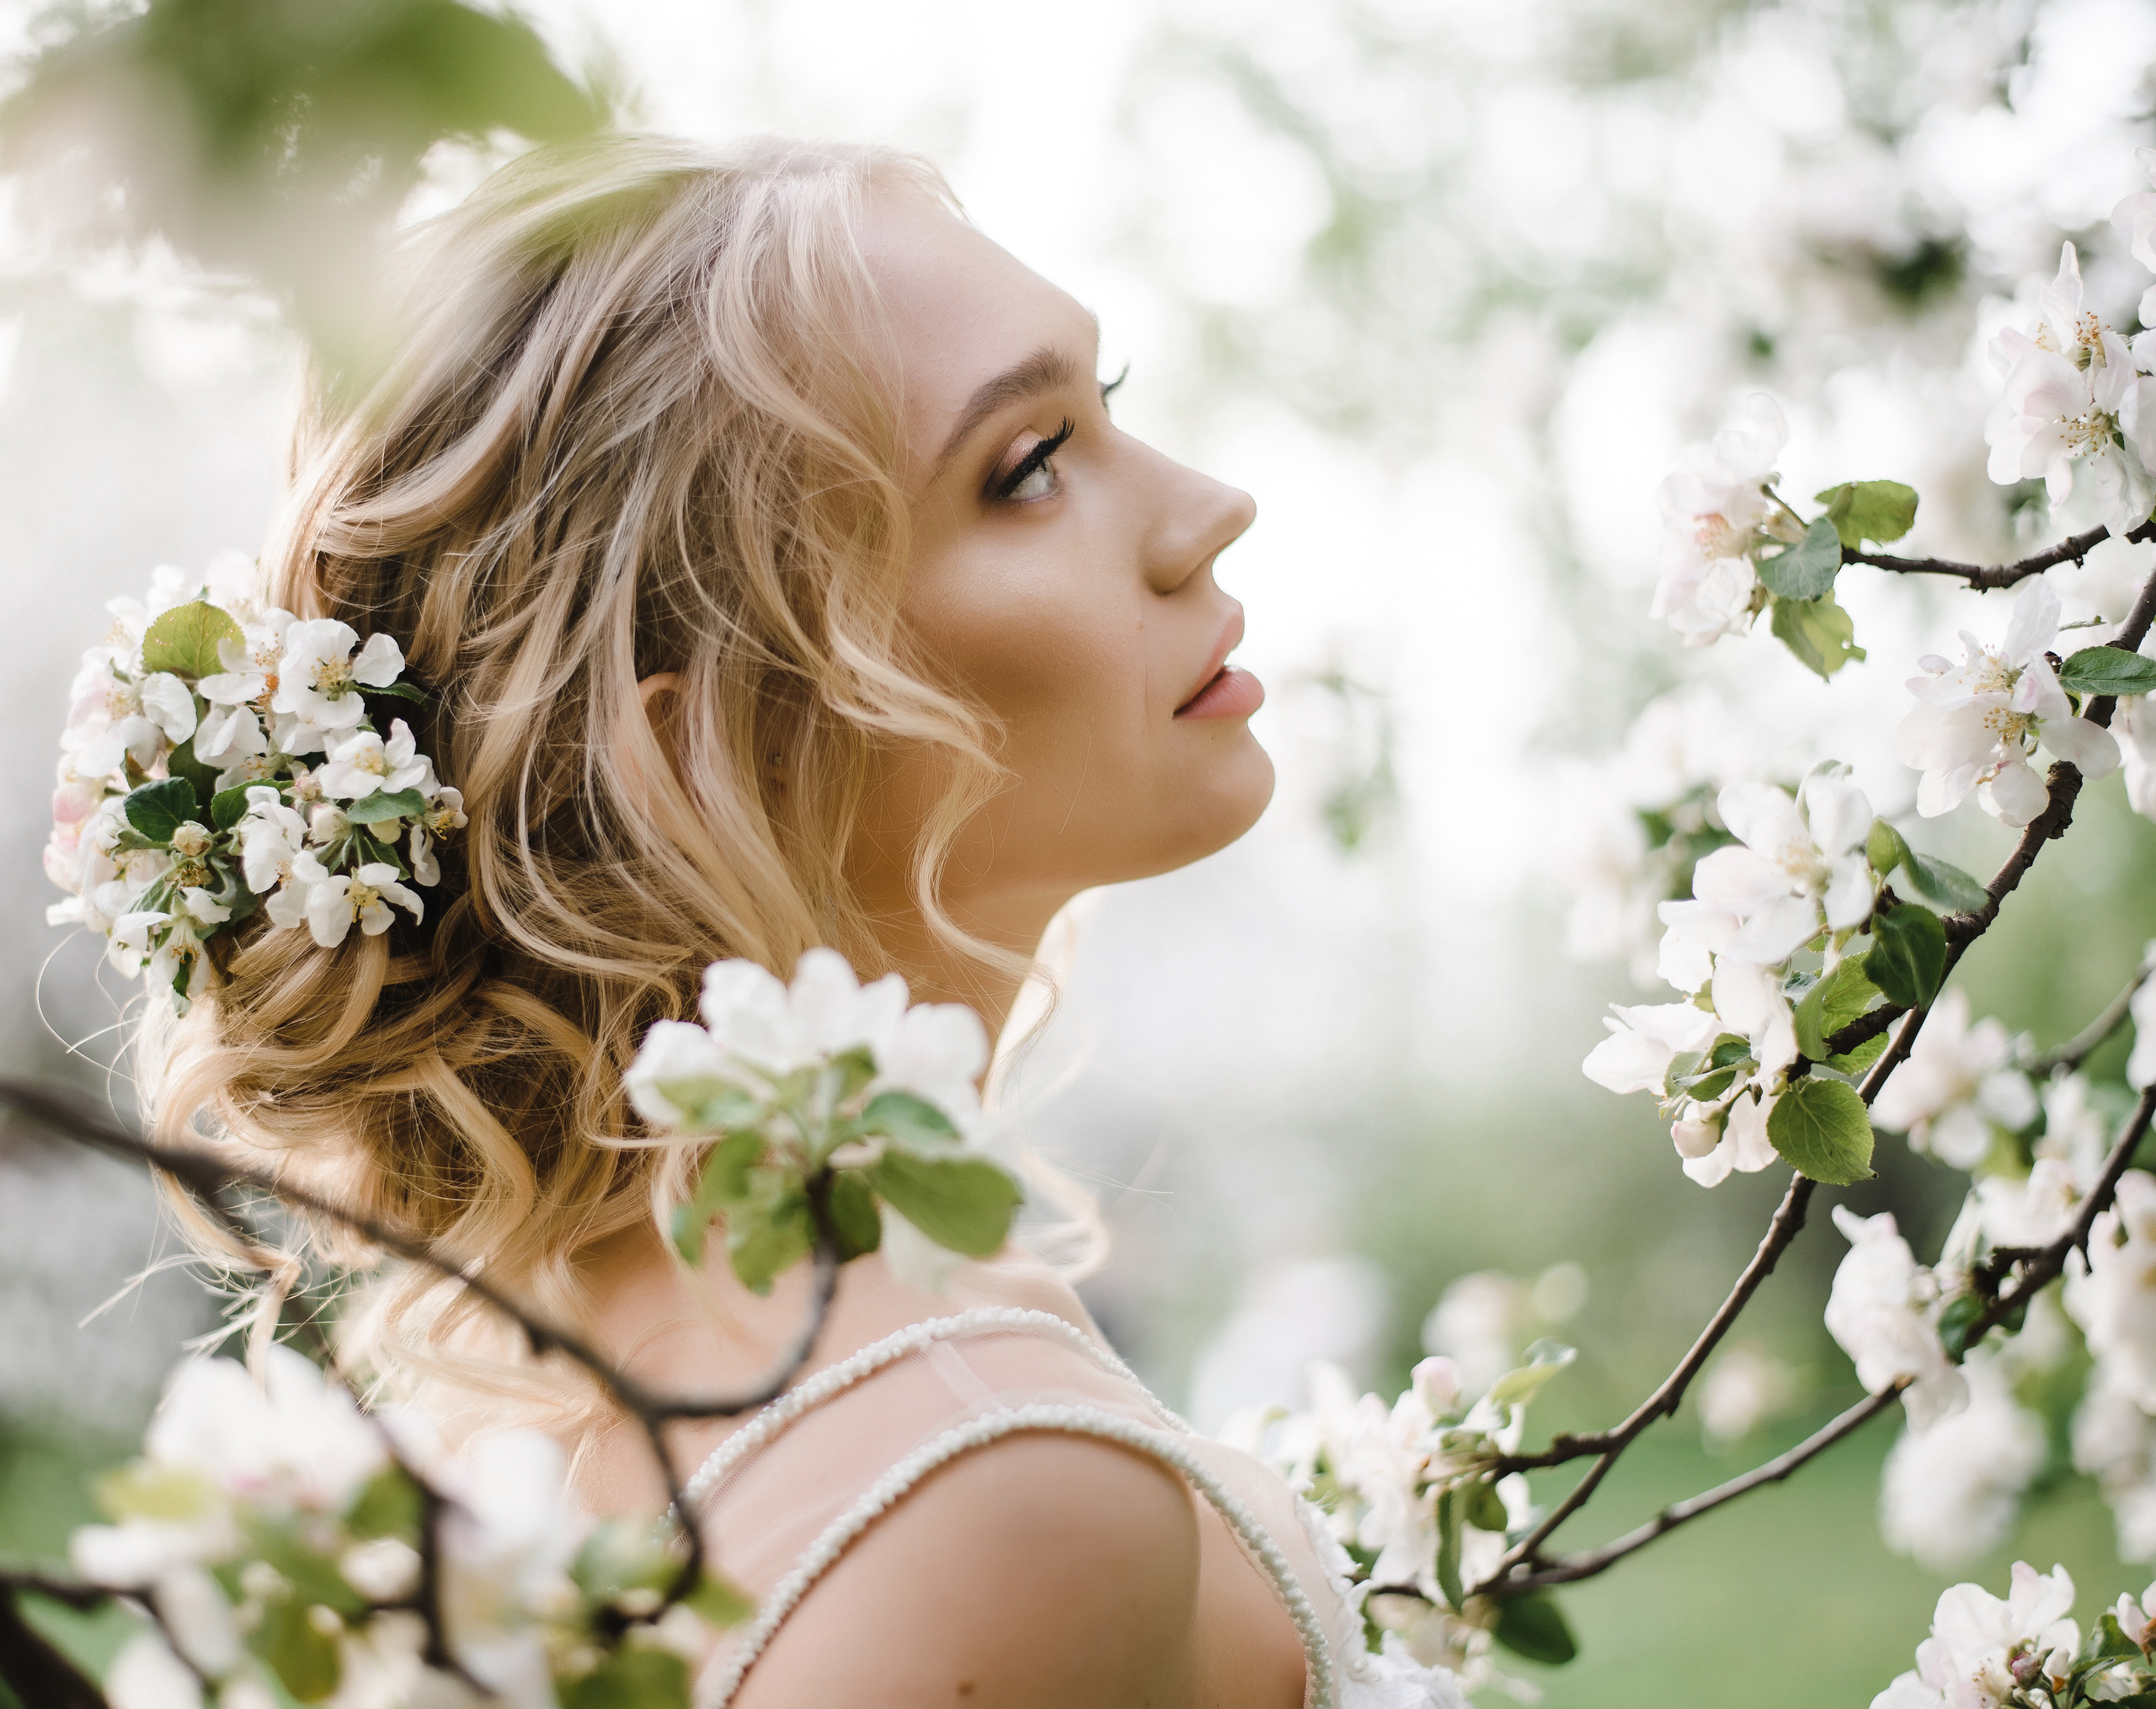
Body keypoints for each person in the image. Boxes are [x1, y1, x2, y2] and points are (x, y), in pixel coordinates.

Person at [143, 135, 1449, 1707]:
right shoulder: (984, 1496)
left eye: (1116, 409)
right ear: (708, 741)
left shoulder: (538, 1426)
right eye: (1028, 466)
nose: (1207, 512)